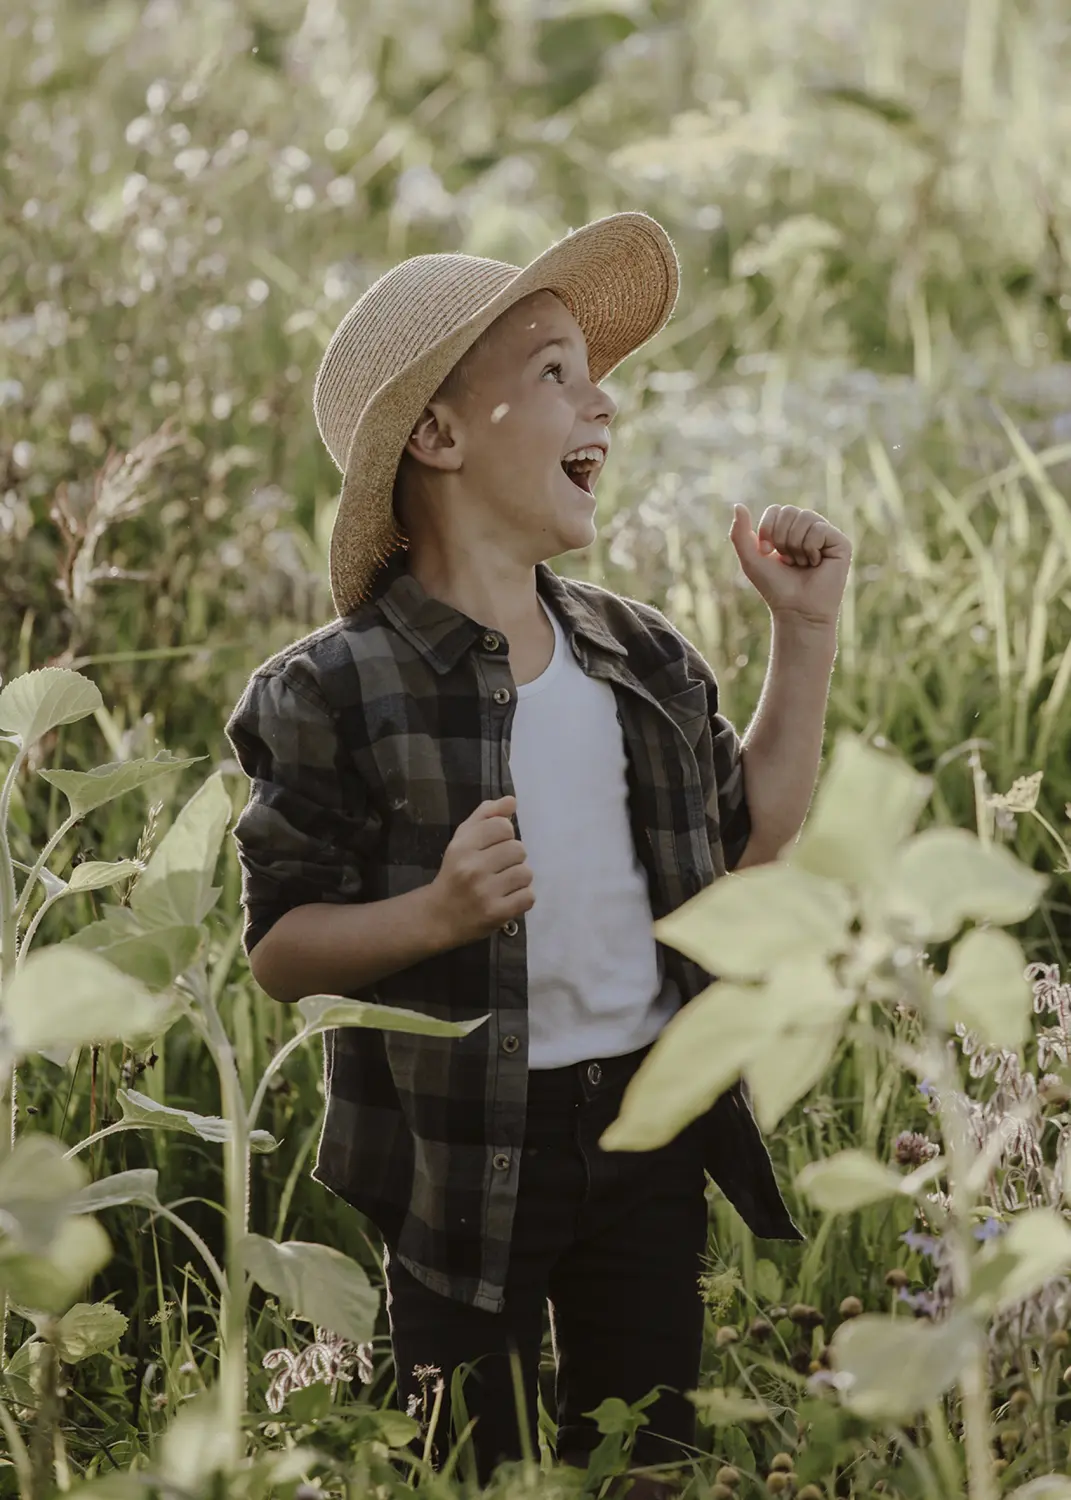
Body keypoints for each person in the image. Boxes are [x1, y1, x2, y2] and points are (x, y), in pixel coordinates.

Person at [224, 211, 852, 1495]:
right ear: (441, 438)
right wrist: (436, 915)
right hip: (459, 1157)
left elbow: (755, 832)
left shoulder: (643, 654)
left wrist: (806, 636)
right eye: (554, 371)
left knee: (648, 1450)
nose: (601, 400)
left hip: (642, 1125)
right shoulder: (330, 694)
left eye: (595, 372)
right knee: (478, 1459)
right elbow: (282, 951)